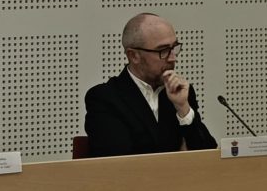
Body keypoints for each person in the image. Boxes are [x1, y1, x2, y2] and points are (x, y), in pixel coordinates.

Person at [84, 13, 216, 157]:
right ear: (134, 55)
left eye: (174, 48)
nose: (173, 58)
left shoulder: (180, 92)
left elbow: (207, 156)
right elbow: (119, 162)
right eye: (163, 51)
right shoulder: (105, 98)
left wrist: (183, 109)